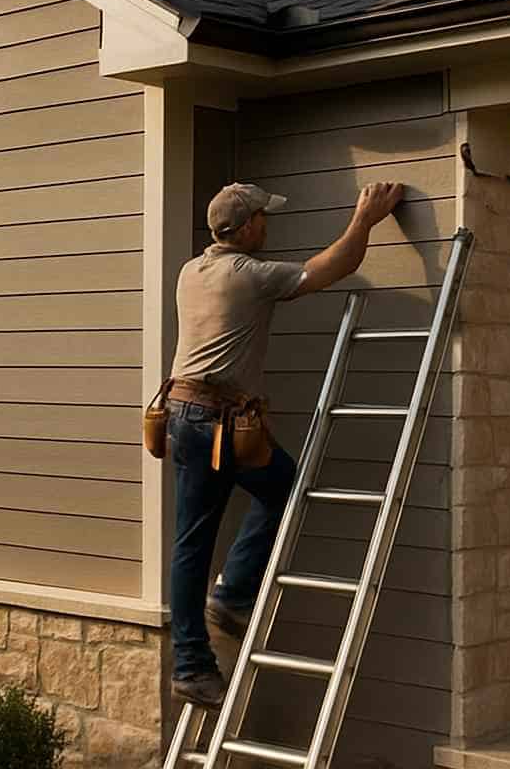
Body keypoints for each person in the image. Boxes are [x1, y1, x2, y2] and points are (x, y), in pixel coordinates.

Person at [167, 179, 404, 708]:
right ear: (248, 225)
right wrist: (365, 218)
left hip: (181, 415)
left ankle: (204, 641)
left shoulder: (191, 271)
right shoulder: (250, 276)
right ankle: (222, 609)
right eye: (264, 218)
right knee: (283, 488)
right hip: (215, 422)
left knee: (193, 542)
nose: (268, 226)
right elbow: (334, 266)